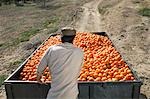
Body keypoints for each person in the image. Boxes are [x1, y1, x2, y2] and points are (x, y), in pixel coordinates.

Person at [37, 27, 84, 99]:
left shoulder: (52, 50)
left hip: (54, 95)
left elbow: (40, 68)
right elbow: (78, 70)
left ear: (61, 37)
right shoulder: (79, 52)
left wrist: (39, 78)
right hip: (71, 95)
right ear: (74, 38)